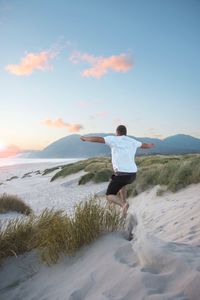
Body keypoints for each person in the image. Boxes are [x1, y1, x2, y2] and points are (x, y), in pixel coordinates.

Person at [80, 125, 155, 217]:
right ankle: (124, 206)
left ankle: (123, 205)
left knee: (109, 195)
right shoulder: (132, 141)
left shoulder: (114, 139)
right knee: (122, 185)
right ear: (125, 132)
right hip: (132, 175)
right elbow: (145, 145)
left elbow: (97, 139)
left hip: (122, 175)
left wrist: (85, 138)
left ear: (117, 132)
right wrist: (151, 145)